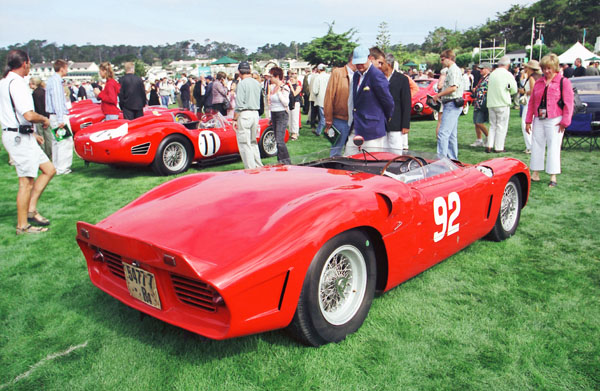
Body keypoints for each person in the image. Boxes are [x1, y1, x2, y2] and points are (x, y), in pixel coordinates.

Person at [0, 49, 56, 234]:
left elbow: (15, 116)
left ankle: (31, 209)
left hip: (21, 134)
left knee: (49, 170)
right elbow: (28, 114)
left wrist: (32, 134)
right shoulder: (17, 84)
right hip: (18, 137)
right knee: (26, 182)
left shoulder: (5, 82)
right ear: (25, 63)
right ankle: (22, 225)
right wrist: (44, 120)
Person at [525, 53, 574, 188]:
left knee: (553, 146)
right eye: (544, 68)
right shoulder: (539, 82)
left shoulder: (564, 82)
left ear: (555, 67)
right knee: (537, 144)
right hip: (539, 118)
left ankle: (553, 176)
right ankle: (535, 172)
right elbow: (532, 102)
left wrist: (565, 121)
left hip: (555, 119)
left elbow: (569, 104)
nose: (546, 71)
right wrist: (528, 120)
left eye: (549, 68)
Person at [344, 45, 394, 156]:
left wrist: (379, 120)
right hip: (356, 127)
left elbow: (388, 102)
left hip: (373, 130)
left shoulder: (377, 76)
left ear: (369, 58)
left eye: (362, 62)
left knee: (371, 163)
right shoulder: (356, 76)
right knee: (347, 159)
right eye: (357, 63)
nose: (360, 65)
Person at [432, 49, 463, 159]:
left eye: (443, 59)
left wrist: (438, 95)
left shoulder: (453, 70)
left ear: (449, 58)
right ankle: (452, 159)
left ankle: (442, 159)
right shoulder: (451, 70)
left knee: (443, 134)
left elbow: (453, 88)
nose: (441, 61)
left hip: (452, 104)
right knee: (451, 135)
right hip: (451, 103)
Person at [377, 51, 411, 150]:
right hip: (380, 123)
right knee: (381, 151)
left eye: (381, 63)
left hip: (396, 123)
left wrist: (405, 125)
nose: (379, 66)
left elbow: (406, 103)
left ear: (388, 64)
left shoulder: (402, 79)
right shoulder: (378, 78)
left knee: (395, 151)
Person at [323, 53, 356, 156]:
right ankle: (333, 170)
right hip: (340, 119)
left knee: (353, 151)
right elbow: (329, 96)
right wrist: (328, 118)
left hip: (355, 120)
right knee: (336, 150)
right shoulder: (338, 73)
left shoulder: (359, 75)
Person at [45, 59, 73, 174]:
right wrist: (61, 119)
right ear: (62, 68)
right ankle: (63, 167)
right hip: (58, 116)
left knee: (56, 142)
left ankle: (56, 166)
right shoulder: (56, 82)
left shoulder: (51, 80)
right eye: (66, 68)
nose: (67, 70)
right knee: (64, 142)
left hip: (53, 115)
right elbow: (57, 101)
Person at [233, 61, 263, 169]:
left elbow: (239, 104)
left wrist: (235, 119)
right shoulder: (257, 83)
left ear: (239, 72)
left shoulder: (241, 84)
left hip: (245, 114)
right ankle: (258, 165)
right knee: (253, 142)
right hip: (255, 113)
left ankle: (250, 168)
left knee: (245, 144)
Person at [485, 56, 518, 153]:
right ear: (507, 65)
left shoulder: (492, 74)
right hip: (502, 102)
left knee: (492, 125)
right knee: (501, 126)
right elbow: (514, 89)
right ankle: (499, 147)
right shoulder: (508, 74)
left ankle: (489, 145)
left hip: (491, 103)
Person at [267, 66, 291, 164]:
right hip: (274, 114)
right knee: (277, 140)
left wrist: (279, 93)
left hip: (282, 114)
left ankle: (287, 161)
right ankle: (280, 161)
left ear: (277, 76)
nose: (270, 79)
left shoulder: (284, 87)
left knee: (280, 140)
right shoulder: (272, 87)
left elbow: (286, 103)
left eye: (271, 76)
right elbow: (271, 103)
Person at [519, 60, 543, 154]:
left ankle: (530, 146)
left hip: (530, 101)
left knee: (526, 122)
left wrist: (523, 92)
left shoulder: (532, 78)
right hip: (537, 102)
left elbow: (533, 91)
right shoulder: (540, 77)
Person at [470, 63, 491, 148]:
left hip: (483, 103)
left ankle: (489, 137)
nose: (480, 70)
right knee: (476, 122)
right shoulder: (482, 78)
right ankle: (479, 139)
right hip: (478, 102)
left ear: (487, 69)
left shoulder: (489, 78)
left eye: (482, 69)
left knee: (479, 122)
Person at [29, 77, 52, 158]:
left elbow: (38, 107)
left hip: (40, 117)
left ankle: (43, 154)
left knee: (41, 136)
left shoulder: (35, 93)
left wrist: (41, 118)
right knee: (48, 136)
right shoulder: (43, 91)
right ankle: (50, 153)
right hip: (47, 116)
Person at [312, 64, 330, 135]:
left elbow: (315, 90)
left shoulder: (318, 77)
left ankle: (319, 131)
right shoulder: (329, 76)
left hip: (321, 99)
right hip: (329, 99)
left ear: (319, 70)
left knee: (322, 117)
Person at [287, 70, 302, 140]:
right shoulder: (287, 84)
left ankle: (295, 133)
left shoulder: (298, 84)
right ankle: (291, 132)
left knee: (295, 118)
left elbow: (295, 93)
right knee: (290, 118)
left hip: (295, 102)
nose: (293, 75)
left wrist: (290, 85)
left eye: (295, 73)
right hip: (289, 102)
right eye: (292, 74)